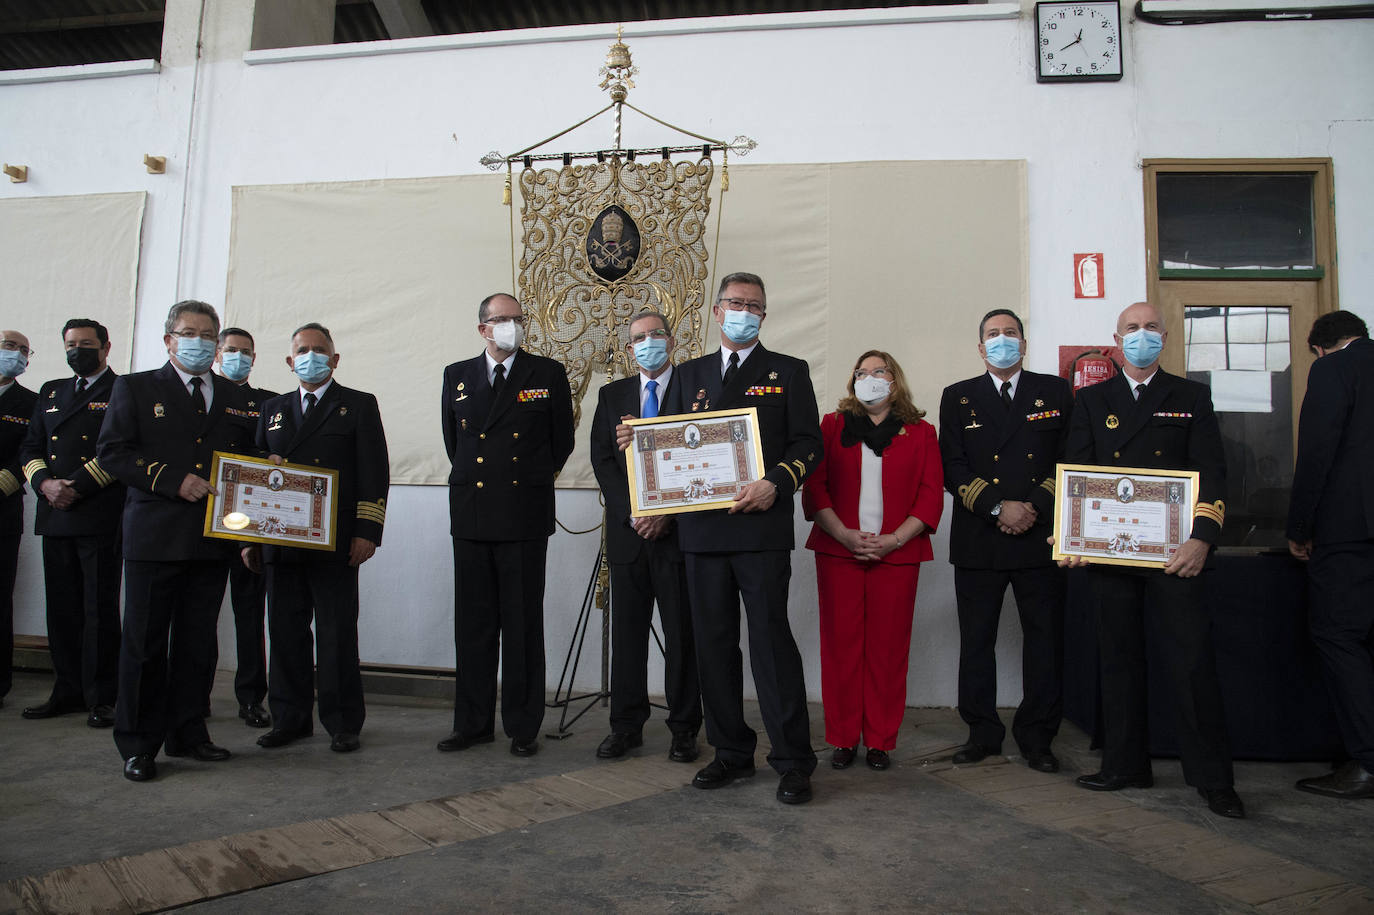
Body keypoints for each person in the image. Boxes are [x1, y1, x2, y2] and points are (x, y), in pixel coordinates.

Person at [1063, 300, 1244, 818]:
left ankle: (1213, 779)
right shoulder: (1093, 400)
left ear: (1165, 337)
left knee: (1191, 666)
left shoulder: (1191, 396)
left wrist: (1203, 537)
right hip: (1111, 554)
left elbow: (1213, 472)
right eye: (1131, 329)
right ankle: (1124, 765)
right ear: (1116, 340)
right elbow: (1076, 471)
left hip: (1176, 555)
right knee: (1117, 661)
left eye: (1150, 328)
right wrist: (1073, 539)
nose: (1141, 336)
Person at [656, 271, 823, 804]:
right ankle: (730, 752)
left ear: (764, 316)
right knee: (713, 647)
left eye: (753, 305)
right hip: (702, 534)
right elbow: (667, 448)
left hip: (761, 531)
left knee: (772, 646)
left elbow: (808, 443)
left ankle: (793, 760)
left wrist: (777, 482)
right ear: (716, 309)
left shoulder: (789, 372)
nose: (743, 310)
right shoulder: (688, 375)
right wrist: (640, 448)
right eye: (734, 302)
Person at [97, 300, 257, 782]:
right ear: (169, 339)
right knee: (144, 644)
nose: (200, 341)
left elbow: (250, 464)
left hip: (213, 539)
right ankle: (138, 744)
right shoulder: (135, 387)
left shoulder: (235, 395)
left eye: (208, 334)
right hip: (154, 537)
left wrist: (254, 530)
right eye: (189, 332)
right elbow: (113, 454)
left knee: (196, 643)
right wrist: (172, 480)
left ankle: (189, 733)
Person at [439, 293, 574, 757]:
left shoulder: (547, 374)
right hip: (472, 515)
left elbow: (561, 442)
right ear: (482, 329)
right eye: (501, 320)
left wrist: (528, 482)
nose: (510, 327)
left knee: (521, 625)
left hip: (523, 515)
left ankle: (522, 726)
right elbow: (453, 442)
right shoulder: (457, 376)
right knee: (473, 626)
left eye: (517, 319)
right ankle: (472, 723)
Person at [938, 309, 1072, 772]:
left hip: (1040, 536)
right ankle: (982, 733)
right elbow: (951, 466)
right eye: (993, 335)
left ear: (1024, 343)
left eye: (1010, 334)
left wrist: (1031, 505)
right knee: (977, 642)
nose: (1002, 341)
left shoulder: (1055, 391)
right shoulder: (957, 397)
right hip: (980, 538)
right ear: (980, 348)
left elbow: (1068, 459)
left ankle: (1038, 738)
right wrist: (999, 506)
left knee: (1045, 642)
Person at [247, 323, 389, 755]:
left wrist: (368, 533)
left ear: (335, 358)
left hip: (336, 543)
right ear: (290, 362)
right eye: (303, 351)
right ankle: (289, 719)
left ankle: (343, 722)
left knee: (336, 634)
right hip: (279, 541)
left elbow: (374, 474)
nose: (311, 356)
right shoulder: (272, 409)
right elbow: (252, 475)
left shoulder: (359, 406)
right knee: (285, 632)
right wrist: (248, 537)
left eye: (319, 350)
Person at [803, 350, 942, 771]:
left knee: (887, 650)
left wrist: (894, 540)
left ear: (894, 381)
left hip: (897, 555)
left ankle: (880, 740)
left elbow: (931, 494)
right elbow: (815, 488)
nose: (868, 378)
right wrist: (845, 535)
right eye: (860, 372)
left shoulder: (921, 432)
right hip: (838, 551)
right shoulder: (833, 426)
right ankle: (843, 739)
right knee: (841, 648)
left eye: (877, 372)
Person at [589, 310, 702, 762]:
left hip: (677, 537)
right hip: (629, 536)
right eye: (639, 337)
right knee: (628, 637)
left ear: (672, 342)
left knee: (682, 637)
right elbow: (602, 461)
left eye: (656, 334)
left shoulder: (694, 391)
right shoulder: (612, 394)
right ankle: (625, 726)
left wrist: (666, 515)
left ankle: (684, 729)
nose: (648, 342)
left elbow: (701, 457)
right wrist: (634, 514)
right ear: (629, 346)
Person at [19, 320, 125, 728]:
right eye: (71, 344)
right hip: (55, 513)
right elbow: (32, 446)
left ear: (105, 347)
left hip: (96, 512)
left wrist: (74, 487)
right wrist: (45, 484)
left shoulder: (122, 390)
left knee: (98, 609)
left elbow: (116, 450)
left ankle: (102, 696)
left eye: (86, 344)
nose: (77, 350)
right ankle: (66, 689)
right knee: (61, 609)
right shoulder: (51, 391)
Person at [1286, 310, 1374, 799]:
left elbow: (1317, 451)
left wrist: (1299, 527)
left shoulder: (1333, 370)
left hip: (1349, 535)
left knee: (1341, 639)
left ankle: (1366, 762)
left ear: (1320, 347)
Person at [215, 327, 275, 729]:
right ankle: (190, 695)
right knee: (196, 616)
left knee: (250, 615)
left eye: (245, 352)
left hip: (249, 524)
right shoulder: (199, 398)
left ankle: (252, 698)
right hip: (200, 520)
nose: (238, 357)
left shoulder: (269, 403)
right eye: (231, 350)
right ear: (218, 353)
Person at [0, 330, 37, 709]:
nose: (17, 354)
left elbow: (31, 448)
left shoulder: (31, 402)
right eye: (9, 346)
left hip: (2, 506)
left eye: (24, 350)